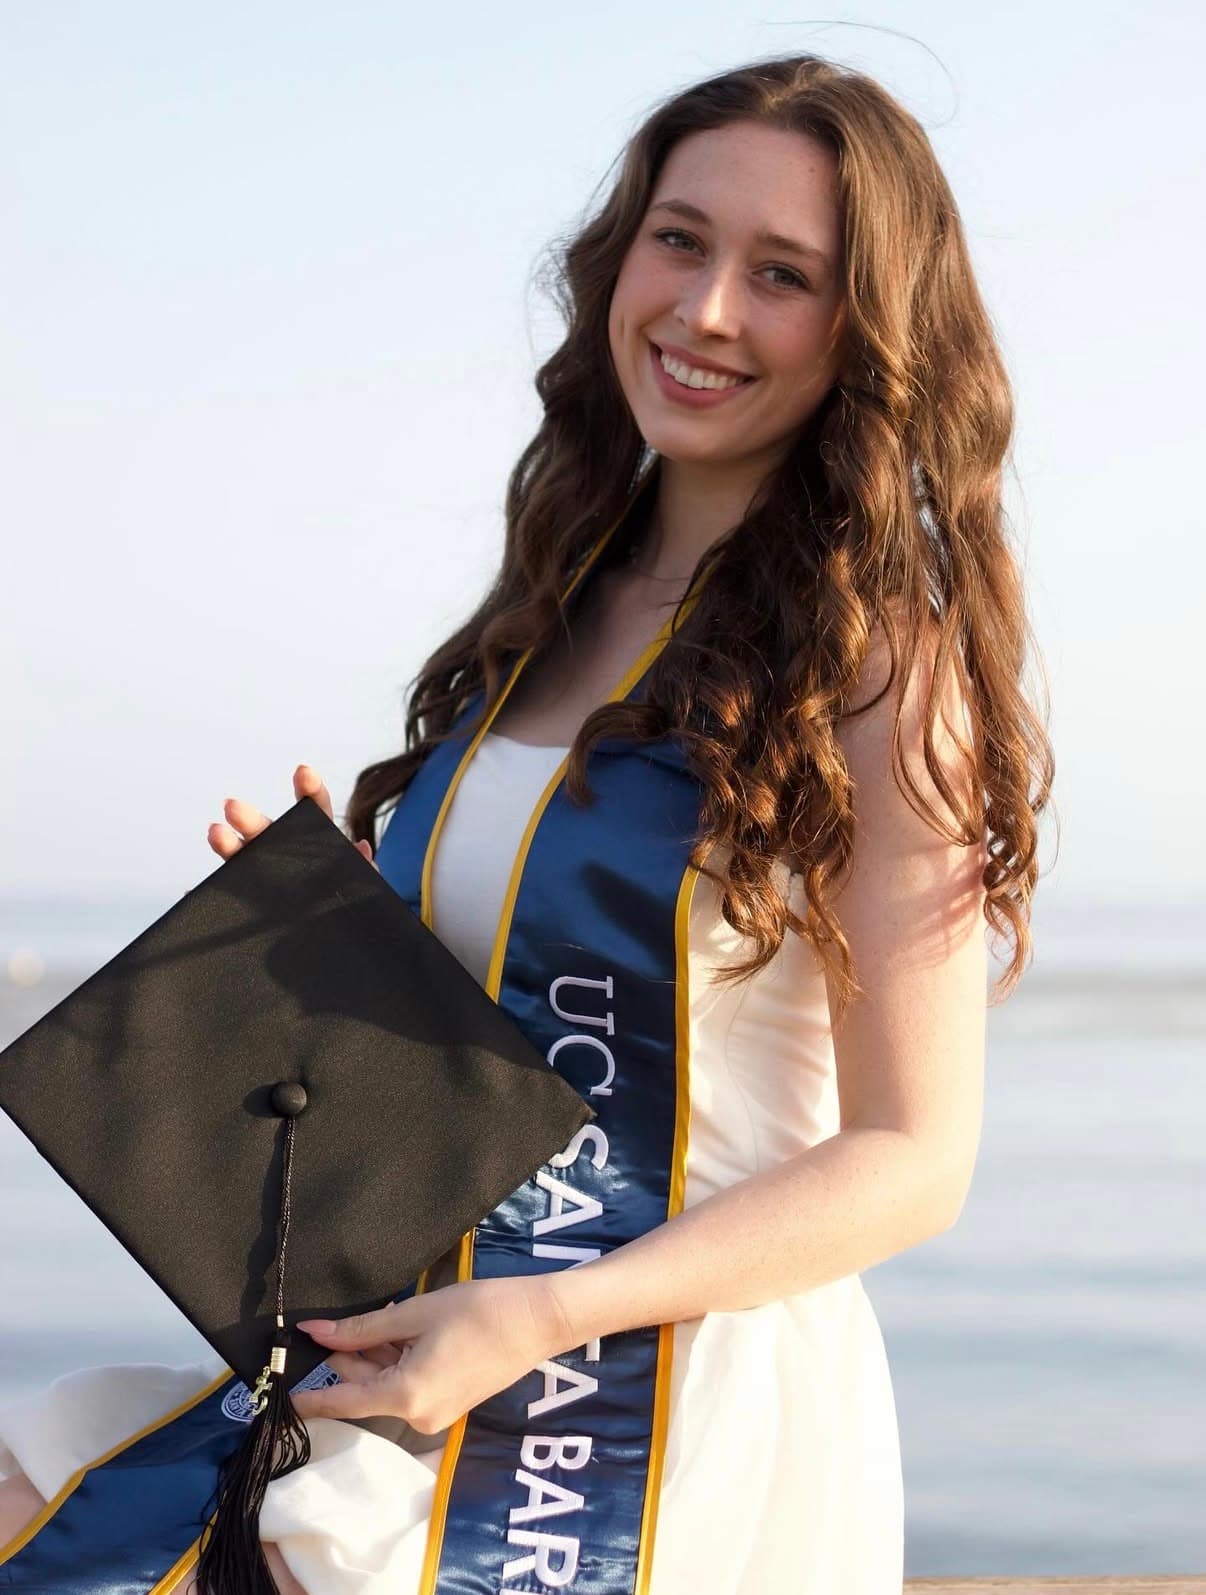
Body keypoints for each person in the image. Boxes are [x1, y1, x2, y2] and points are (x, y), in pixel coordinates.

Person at [0, 49, 1053, 1595]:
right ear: (619, 254)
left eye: (781, 275)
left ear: (866, 333)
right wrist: (324, 948)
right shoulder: (560, 594)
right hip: (444, 1333)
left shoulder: (883, 665)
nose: (703, 311)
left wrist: (550, 1315)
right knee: (39, 1474)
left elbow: (913, 1156)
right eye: (679, 240)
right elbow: (514, 1025)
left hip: (645, 1390)